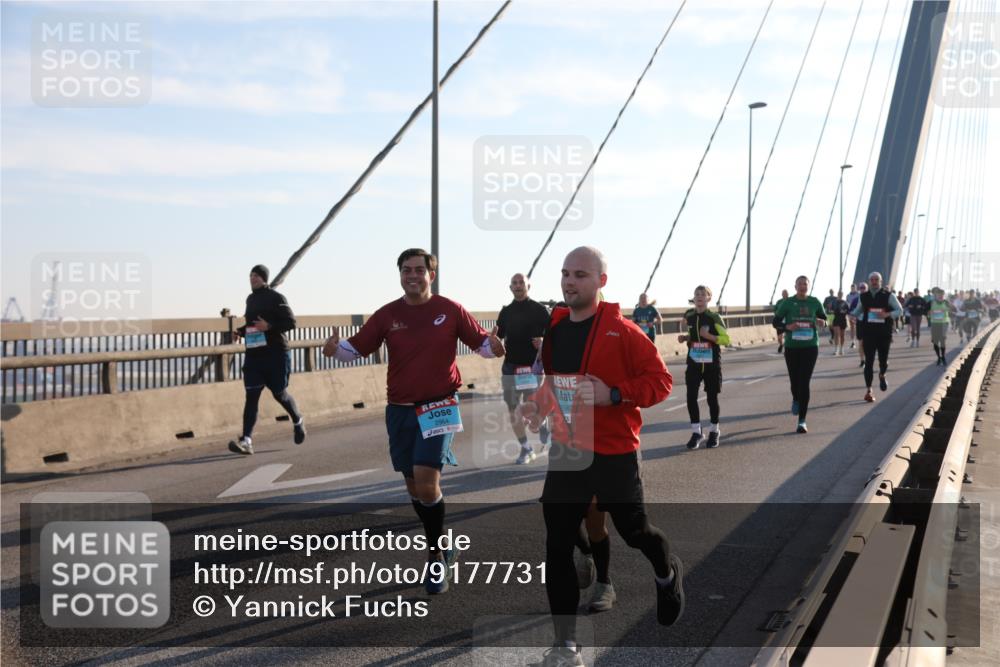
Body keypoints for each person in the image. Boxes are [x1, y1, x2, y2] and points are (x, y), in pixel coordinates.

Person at [515, 246, 681, 667]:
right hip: (568, 452)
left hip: (614, 453)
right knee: (557, 546)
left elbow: (661, 382)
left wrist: (614, 394)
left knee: (635, 531)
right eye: (566, 274)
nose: (570, 282)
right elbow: (556, 384)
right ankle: (565, 646)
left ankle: (667, 573)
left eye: (581, 275)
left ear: (601, 282)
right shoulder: (556, 332)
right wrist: (537, 406)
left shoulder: (624, 332)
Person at [322, 248, 505, 594]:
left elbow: (481, 343)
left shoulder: (449, 310)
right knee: (414, 488)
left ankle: (436, 557)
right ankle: (442, 542)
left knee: (426, 480)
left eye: (419, 270)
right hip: (400, 409)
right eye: (406, 270)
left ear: (431, 275)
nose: (412, 275)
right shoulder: (388, 314)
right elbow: (355, 348)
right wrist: (334, 350)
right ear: (400, 274)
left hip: (438, 404)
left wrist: (493, 347)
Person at [228, 264, 305, 455]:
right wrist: (240, 332)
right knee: (251, 397)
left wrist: (269, 326)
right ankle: (246, 440)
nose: (252, 278)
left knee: (280, 393)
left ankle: (298, 420)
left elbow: (291, 323)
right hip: (254, 356)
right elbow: (253, 325)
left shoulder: (276, 298)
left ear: (264, 278)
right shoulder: (250, 299)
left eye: (256, 275)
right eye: (250, 275)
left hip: (276, 355)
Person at [497, 273, 552, 465]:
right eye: (514, 283)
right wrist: (492, 342)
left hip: (532, 368)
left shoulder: (540, 310)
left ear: (529, 286)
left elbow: (555, 336)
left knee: (530, 410)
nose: (518, 285)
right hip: (511, 367)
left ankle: (542, 424)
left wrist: (544, 341)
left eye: (521, 282)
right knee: (513, 410)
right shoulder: (505, 312)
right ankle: (526, 448)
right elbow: (498, 337)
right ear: (510, 287)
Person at [772, 275, 827, 433]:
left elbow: (824, 319)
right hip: (792, 347)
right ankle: (795, 398)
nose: (803, 286)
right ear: (795, 287)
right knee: (794, 381)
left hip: (810, 346)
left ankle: (802, 420)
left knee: (804, 382)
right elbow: (776, 322)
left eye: (805, 284)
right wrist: (787, 327)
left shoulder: (815, 302)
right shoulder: (788, 303)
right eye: (800, 284)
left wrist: (823, 322)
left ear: (808, 286)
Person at [678, 285, 730, 449]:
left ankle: (714, 430)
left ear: (708, 298)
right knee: (691, 397)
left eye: (703, 294)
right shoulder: (689, 315)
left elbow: (726, 340)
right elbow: (693, 335)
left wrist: (709, 336)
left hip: (711, 363)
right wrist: (685, 337)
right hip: (694, 361)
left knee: (711, 398)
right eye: (697, 294)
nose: (699, 296)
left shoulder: (714, 317)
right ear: (693, 298)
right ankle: (696, 432)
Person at [851, 272, 904, 403]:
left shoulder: (888, 296)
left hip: (884, 333)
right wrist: (852, 316)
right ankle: (869, 390)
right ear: (869, 282)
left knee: (883, 361)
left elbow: (900, 310)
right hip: (868, 333)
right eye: (872, 280)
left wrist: (887, 314)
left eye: (876, 280)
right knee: (868, 362)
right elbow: (858, 310)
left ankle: (882, 374)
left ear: (880, 281)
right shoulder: (863, 296)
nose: (874, 282)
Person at [927, 287, 955, 366]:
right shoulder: (931, 302)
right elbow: (925, 311)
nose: (941, 296)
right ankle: (939, 357)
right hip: (934, 323)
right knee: (935, 342)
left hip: (944, 323)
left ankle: (943, 357)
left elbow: (953, 309)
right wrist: (929, 312)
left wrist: (948, 309)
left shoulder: (946, 302)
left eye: (942, 295)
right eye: (939, 295)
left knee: (942, 339)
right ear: (936, 295)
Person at [852, 282, 869, 367]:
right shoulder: (856, 299)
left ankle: (868, 358)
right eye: (861, 288)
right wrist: (852, 316)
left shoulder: (871, 298)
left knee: (868, 342)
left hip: (869, 322)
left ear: (867, 289)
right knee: (861, 342)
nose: (862, 289)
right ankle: (862, 360)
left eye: (864, 288)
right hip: (860, 321)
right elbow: (851, 309)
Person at [830, 290, 850, 356]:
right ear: (837, 294)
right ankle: (836, 349)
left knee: (842, 335)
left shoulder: (845, 303)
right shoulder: (834, 302)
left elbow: (848, 311)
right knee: (836, 334)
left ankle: (842, 348)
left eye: (841, 294)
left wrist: (844, 311)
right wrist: (832, 313)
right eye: (839, 294)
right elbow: (830, 310)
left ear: (842, 295)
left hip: (843, 319)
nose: (840, 295)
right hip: (836, 319)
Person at [774, 289, 790, 353]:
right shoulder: (779, 302)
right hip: (780, 322)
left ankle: (787, 347)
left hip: (789, 321)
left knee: (788, 336)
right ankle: (781, 344)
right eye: (783, 293)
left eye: (786, 293)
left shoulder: (791, 301)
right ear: (782, 294)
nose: (785, 294)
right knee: (779, 338)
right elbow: (775, 310)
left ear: (788, 294)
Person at [846, 283, 860, 349]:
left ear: (856, 288)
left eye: (854, 288)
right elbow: (847, 304)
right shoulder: (848, 296)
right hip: (851, 313)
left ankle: (860, 340)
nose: (853, 289)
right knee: (852, 327)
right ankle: (853, 342)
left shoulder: (859, 294)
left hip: (859, 313)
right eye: (852, 288)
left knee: (859, 326)